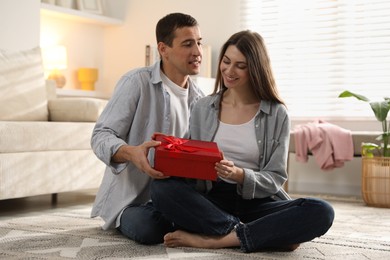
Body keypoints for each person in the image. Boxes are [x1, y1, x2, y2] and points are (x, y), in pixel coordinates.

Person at [150, 30, 335, 253]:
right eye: (226, 61)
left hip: (259, 201)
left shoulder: (276, 114)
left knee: (321, 211)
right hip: (212, 200)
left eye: (240, 65)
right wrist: (171, 155)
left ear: (255, 68)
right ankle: (259, 234)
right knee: (161, 189)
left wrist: (240, 175)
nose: (229, 70)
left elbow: (275, 177)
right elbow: (192, 159)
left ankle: (218, 239)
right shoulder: (203, 107)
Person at [90, 13, 204, 244]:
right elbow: (100, 136)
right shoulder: (136, 82)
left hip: (175, 195)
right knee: (148, 229)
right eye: (188, 44)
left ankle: (184, 220)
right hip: (134, 201)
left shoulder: (200, 100)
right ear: (163, 49)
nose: (198, 52)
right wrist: (131, 153)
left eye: (199, 43)